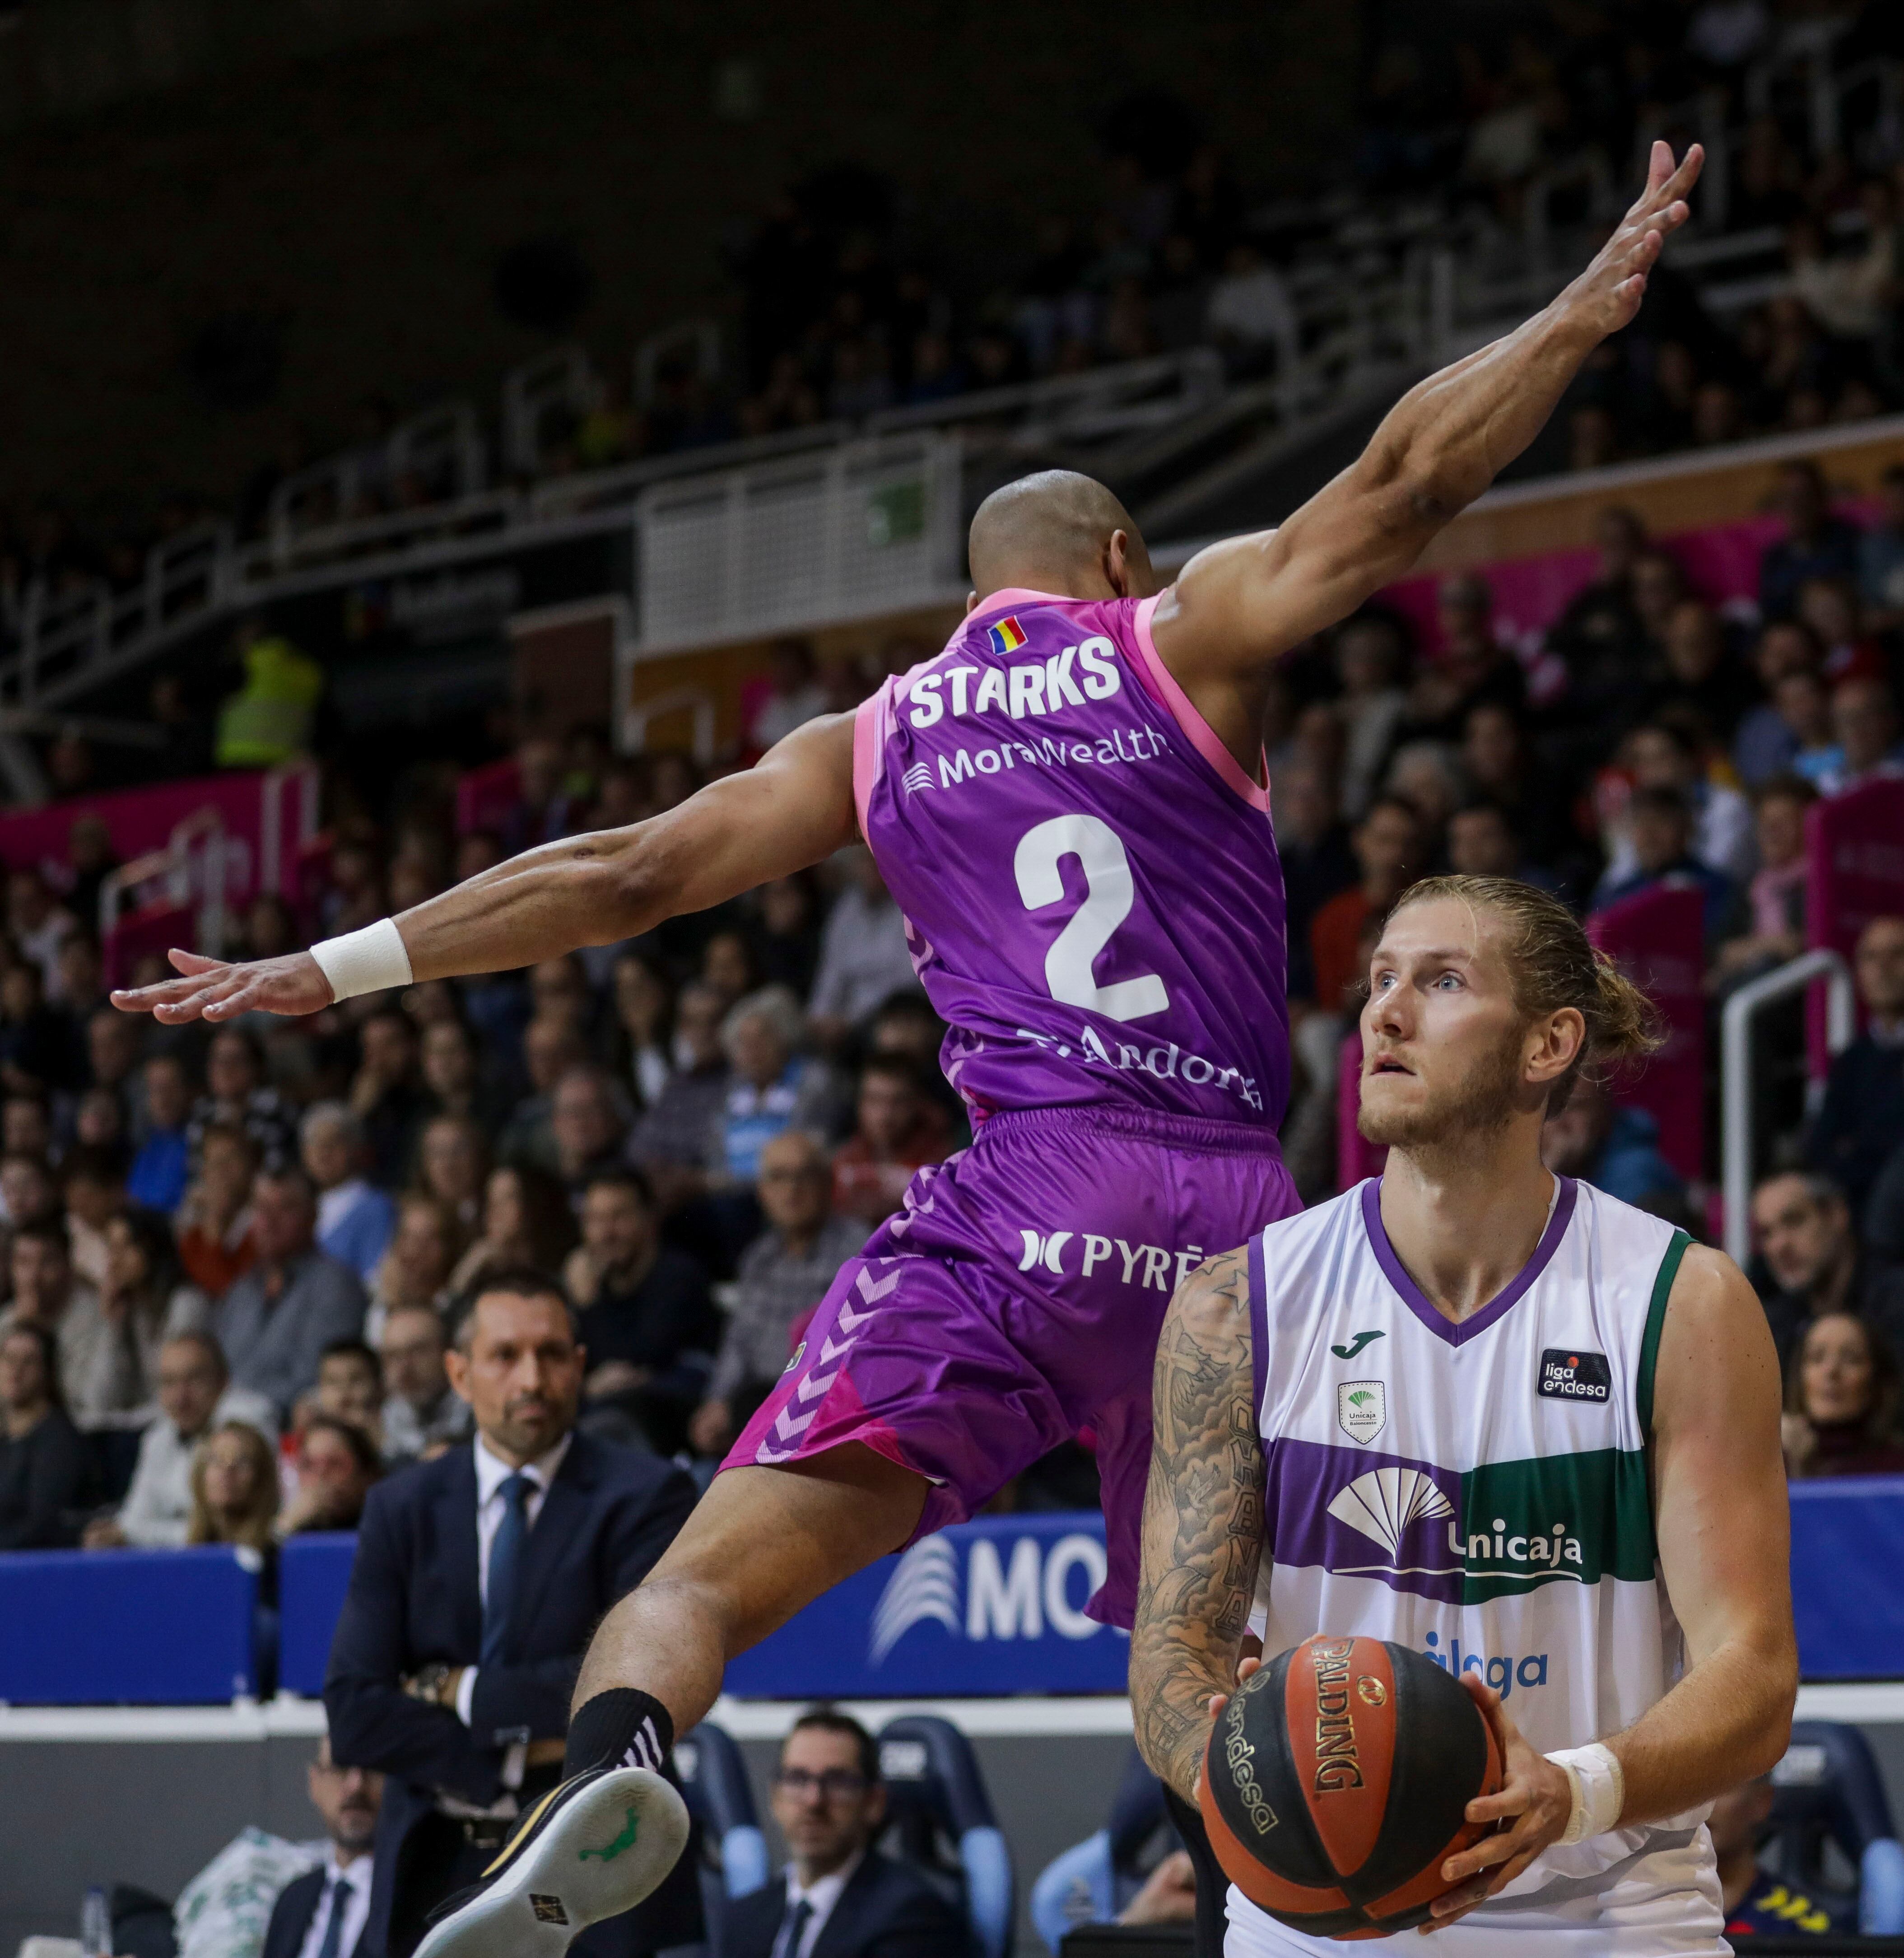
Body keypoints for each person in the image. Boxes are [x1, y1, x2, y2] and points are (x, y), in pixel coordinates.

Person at [114, 142, 1709, 1957]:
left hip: (1031, 1198)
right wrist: (1574, 315)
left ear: (969, 595)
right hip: (1239, 1233)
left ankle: (622, 1758)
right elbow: (1405, 479)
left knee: (696, 1587)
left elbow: (626, 873)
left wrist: (333, 966)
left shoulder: (874, 739)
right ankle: (1304, 1901)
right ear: (1116, 558)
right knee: (1197, 1668)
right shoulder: (1175, 636)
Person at [1131, 873, 1797, 1953]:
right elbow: (1173, 1656)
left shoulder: (1680, 1303)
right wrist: (1248, 1773)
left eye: (1441, 981)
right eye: (1380, 979)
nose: (1385, 1012)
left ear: (1548, 1045)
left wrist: (1573, 1787)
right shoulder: (1235, 1309)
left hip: (1608, 1910)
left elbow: (1753, 1675)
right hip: (1317, 1920)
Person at [321, 1272, 701, 1958]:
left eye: (552, 1354)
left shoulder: (649, 1495)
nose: (532, 1379)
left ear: (581, 1367)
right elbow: (353, 1714)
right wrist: (507, 1759)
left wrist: (454, 1691)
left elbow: (631, 1688)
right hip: (432, 1864)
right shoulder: (399, 1507)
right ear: (459, 1374)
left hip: (598, 1876)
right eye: (505, 1356)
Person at [726, 1709, 968, 1958]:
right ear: (775, 1798)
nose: (814, 1800)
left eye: (837, 1781)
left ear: (874, 1803)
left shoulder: (914, 1916)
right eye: (797, 1779)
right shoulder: (745, 1917)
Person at [689, 1130, 867, 1459]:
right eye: (779, 1178)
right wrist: (715, 1403)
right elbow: (738, 1343)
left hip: (820, 1408)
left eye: (804, 1176)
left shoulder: (858, 1253)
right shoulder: (758, 1258)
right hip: (751, 1409)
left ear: (829, 1185)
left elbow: (847, 1357)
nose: (792, 1189)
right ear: (762, 1192)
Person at [565, 1168, 717, 1455]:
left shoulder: (680, 1277)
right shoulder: (587, 1285)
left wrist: (589, 1307)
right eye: (595, 1220)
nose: (606, 1233)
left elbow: (642, 1353)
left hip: (669, 1430)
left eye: (619, 1217)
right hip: (608, 1424)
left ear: (649, 1219)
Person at [83, 1330, 275, 1547]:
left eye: (193, 1380)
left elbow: (224, 1529)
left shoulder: (247, 1420)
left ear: (223, 1381)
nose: (180, 1397)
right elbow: (134, 1519)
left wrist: (137, 1535)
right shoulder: (158, 1438)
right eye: (169, 1382)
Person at [215, 1167, 368, 1418]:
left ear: (313, 1216)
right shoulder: (241, 1290)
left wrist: (237, 1407)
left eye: (285, 1208)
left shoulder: (336, 1287)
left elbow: (315, 1381)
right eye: (261, 1208)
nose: (269, 1221)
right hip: (227, 1422)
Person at [1752, 1169, 1904, 1371]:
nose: (1779, 1246)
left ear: (1837, 1214)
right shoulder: (1772, 1326)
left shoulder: (1896, 1302)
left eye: (1794, 1221)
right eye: (1767, 1233)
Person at [1806, 916, 1904, 1217]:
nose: (1882, 968)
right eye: (1870, 957)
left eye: (1897, 954)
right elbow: (1821, 1147)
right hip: (1858, 1214)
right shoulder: (1850, 1060)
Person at [260, 1737, 383, 1958]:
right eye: (341, 1767)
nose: (356, 1785)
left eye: (373, 1768)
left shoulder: (419, 1900)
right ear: (314, 1783)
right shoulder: (293, 1901)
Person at [1707, 1773, 1853, 1938]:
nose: (1701, 1806)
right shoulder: (1673, 1914)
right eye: (1692, 1789)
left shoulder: (1802, 1932)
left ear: (1762, 1801)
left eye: (1721, 1788)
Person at [0, 1319, 96, 1548]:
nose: (16, 1371)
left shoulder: (59, 1440)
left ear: (48, 1371)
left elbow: (42, 1525)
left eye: (28, 1362)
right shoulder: (4, 1437)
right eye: (9, 1360)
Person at [1781, 1311, 1904, 1479]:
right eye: (1817, 1357)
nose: (1831, 1371)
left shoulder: (1897, 1466)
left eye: (1851, 1358)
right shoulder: (1772, 1462)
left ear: (1876, 1378)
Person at [831, 1056, 949, 1228]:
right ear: (859, 1104)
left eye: (897, 1102)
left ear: (915, 1104)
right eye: (874, 1100)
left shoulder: (939, 1164)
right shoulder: (844, 1160)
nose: (885, 1115)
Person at [1540, 1073, 1686, 1209]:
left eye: (1574, 1107)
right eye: (1549, 1108)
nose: (1558, 1122)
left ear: (1602, 1112)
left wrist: (1546, 1179)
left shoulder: (1638, 1171)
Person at [306, 1104, 398, 1285]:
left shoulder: (377, 1208)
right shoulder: (300, 1206)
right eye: (316, 1142)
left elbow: (374, 1281)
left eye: (335, 1143)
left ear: (357, 1149)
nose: (324, 1152)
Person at [379, 1305, 472, 1461]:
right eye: (393, 1356)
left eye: (418, 1352)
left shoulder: (482, 1415)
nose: (404, 1368)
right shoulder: (382, 1427)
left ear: (449, 1352)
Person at [280, 1412, 382, 1535]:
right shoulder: (289, 1529)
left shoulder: (386, 1530)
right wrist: (285, 1526)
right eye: (309, 1464)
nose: (320, 1475)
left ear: (366, 1475)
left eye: (335, 1464)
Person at [187, 1418, 281, 1551]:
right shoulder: (187, 1553)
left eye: (242, 1461)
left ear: (262, 1477)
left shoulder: (277, 1551)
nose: (228, 1470)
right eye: (217, 1460)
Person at [126, 1052, 194, 1214]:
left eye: (171, 1088)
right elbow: (134, 1200)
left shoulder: (197, 1140)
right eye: (156, 1089)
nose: (164, 1098)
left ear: (187, 1090)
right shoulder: (146, 1142)